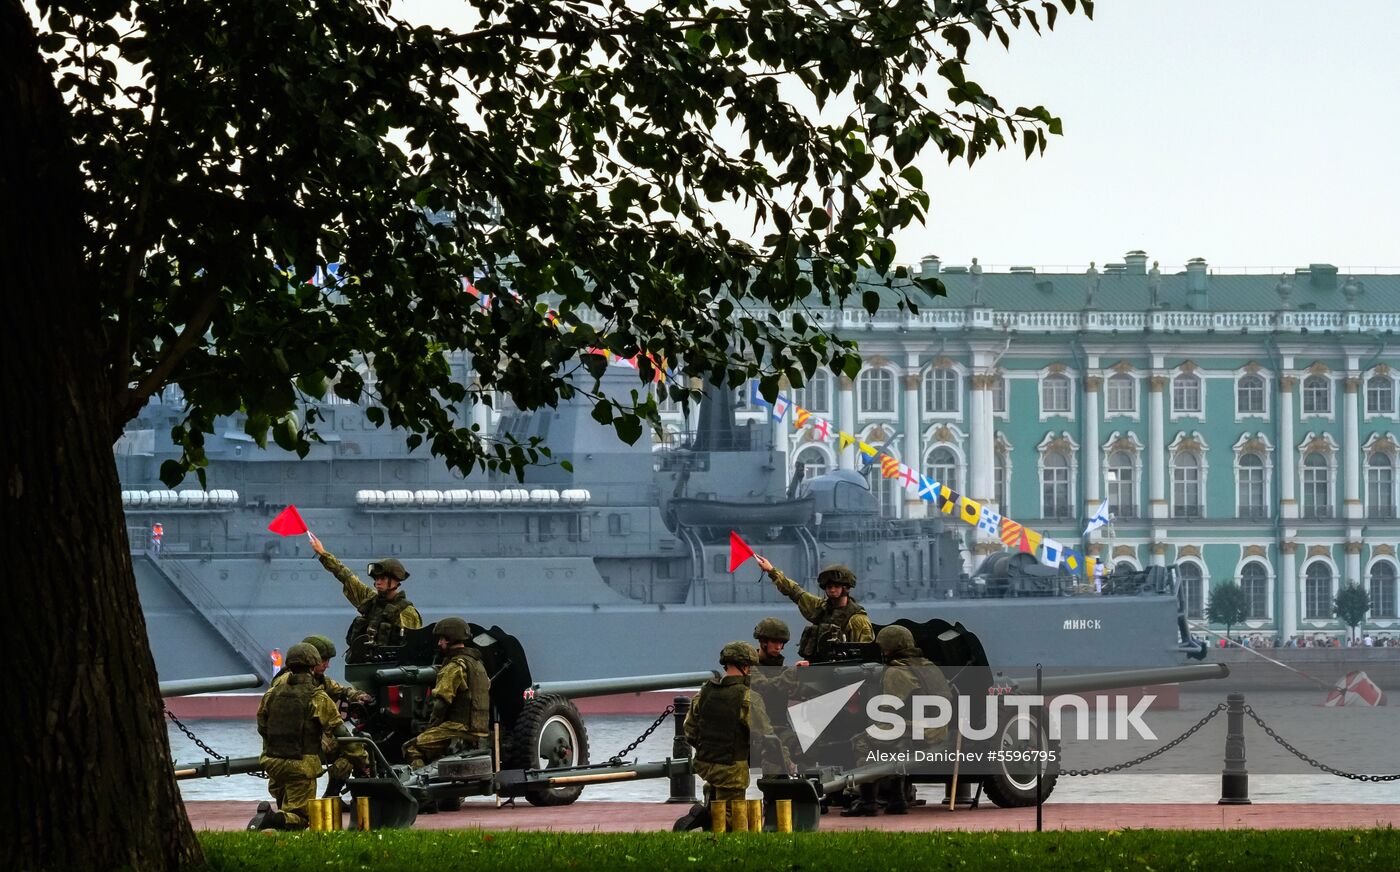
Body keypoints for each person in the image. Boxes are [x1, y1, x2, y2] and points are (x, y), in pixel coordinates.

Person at [843, 625, 954, 817]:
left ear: (891, 648)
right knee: (896, 744)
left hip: (921, 730)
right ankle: (897, 800)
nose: (883, 652)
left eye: (884, 648)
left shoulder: (897, 672)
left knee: (862, 741)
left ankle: (867, 802)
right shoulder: (928, 666)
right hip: (938, 729)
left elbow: (888, 709)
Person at [676, 641, 789, 830]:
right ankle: (724, 841)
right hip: (732, 769)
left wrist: (711, 750)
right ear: (745, 667)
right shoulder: (748, 698)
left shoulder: (704, 692)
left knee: (714, 800)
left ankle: (706, 818)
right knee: (732, 817)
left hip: (706, 764)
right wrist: (787, 762)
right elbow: (767, 737)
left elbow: (689, 730)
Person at [248, 642, 350, 831]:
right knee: (301, 818)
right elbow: (340, 731)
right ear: (313, 667)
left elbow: (262, 725)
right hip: (300, 765)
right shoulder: (317, 697)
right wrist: (362, 759)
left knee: (286, 810)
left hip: (273, 762)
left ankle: (276, 822)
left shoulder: (272, 693)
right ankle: (270, 819)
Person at [269, 634, 373, 797]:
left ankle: (331, 796)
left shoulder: (315, 679)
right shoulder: (291, 684)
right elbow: (339, 730)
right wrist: (363, 761)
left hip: (284, 747)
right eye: (324, 660)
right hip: (298, 744)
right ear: (310, 658)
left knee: (291, 804)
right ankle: (329, 798)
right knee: (351, 747)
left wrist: (356, 695)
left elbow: (339, 689)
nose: (327, 665)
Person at [402, 617, 491, 769]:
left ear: (450, 639)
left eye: (442, 639)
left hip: (458, 727)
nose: (439, 643)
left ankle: (421, 783)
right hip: (480, 729)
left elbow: (441, 703)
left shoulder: (454, 666)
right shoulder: (477, 664)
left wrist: (432, 727)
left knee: (411, 747)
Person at [308, 531, 422, 647]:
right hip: (363, 663)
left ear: (395, 581)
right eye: (376, 578)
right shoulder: (371, 600)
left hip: (390, 664)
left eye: (382, 578)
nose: (378, 582)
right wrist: (323, 553)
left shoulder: (406, 612)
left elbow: (413, 647)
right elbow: (348, 578)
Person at [754, 555, 874, 660]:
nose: (832, 590)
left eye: (836, 586)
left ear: (846, 588)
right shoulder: (821, 608)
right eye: (829, 586)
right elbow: (796, 592)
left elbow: (866, 655)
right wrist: (771, 570)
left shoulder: (857, 620)